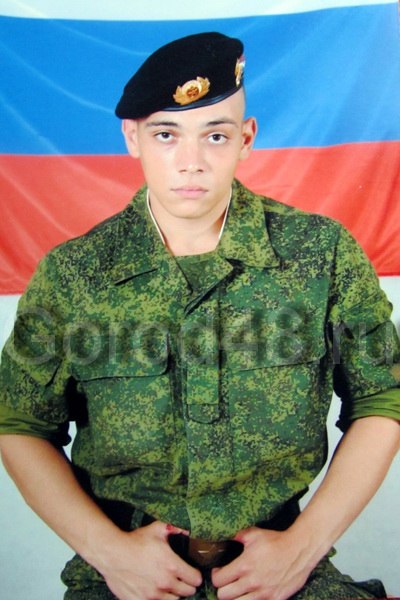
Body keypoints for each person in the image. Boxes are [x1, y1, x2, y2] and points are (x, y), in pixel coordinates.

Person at [0, 31, 399, 600]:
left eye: (215, 135)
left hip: (283, 569)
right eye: (166, 134)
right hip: (124, 575)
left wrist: (303, 548)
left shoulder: (321, 254)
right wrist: (111, 554)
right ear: (132, 138)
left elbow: (384, 397)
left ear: (246, 138)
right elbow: (20, 423)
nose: (191, 163)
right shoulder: (75, 275)